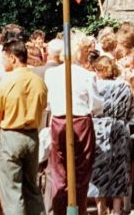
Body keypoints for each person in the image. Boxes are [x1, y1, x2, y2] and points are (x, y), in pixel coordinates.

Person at [44, 33, 102, 215]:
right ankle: (77, 210)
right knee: (81, 171)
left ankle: (63, 211)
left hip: (59, 120)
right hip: (80, 121)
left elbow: (49, 102)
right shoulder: (86, 75)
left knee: (60, 171)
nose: (88, 54)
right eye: (86, 50)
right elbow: (96, 104)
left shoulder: (51, 74)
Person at [0, 38, 47, 215]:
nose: (3, 63)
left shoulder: (6, 82)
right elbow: (43, 107)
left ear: (13, 58)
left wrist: (3, 129)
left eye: (4, 58)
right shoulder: (39, 81)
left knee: (12, 190)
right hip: (31, 135)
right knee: (32, 187)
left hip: (10, 134)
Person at [88, 56, 134, 215]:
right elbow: (131, 111)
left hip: (99, 128)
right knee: (119, 169)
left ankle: (101, 210)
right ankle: (116, 210)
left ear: (98, 70)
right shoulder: (125, 86)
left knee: (99, 170)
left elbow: (90, 107)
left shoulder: (95, 86)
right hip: (119, 128)